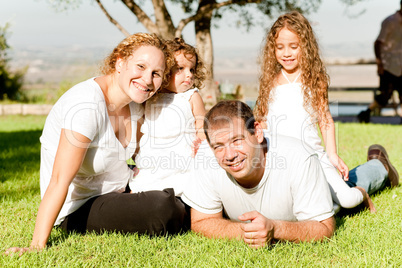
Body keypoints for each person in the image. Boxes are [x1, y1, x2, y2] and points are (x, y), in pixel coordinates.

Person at [5, 33, 187, 256]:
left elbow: (145, 156)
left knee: (185, 187)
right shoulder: (86, 104)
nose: (147, 79)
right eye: (140, 66)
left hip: (121, 192)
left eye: (156, 73)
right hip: (81, 206)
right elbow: (59, 180)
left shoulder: (135, 104)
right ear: (120, 62)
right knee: (161, 207)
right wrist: (36, 245)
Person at [182, 100, 399, 248]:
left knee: (346, 195)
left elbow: (324, 227)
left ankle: (380, 165)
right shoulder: (206, 158)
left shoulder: (298, 157)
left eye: (237, 140)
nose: (228, 154)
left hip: (317, 191)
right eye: (219, 146)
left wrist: (275, 228)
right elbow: (201, 221)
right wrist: (250, 232)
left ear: (257, 132)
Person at [254, 11, 376, 213]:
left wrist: (333, 155)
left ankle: (360, 192)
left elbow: (325, 119)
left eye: (294, 47)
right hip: (282, 161)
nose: (286, 53)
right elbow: (264, 121)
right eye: (280, 47)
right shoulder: (270, 81)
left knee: (346, 201)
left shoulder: (314, 79)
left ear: (306, 46)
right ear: (272, 49)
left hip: (314, 157)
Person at [129, 38, 206, 196]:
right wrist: (136, 156)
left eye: (192, 70)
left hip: (182, 164)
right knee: (140, 191)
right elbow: (139, 132)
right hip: (152, 163)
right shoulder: (149, 98)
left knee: (185, 192)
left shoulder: (191, 97)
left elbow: (202, 127)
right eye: (180, 68)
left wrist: (202, 147)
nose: (189, 75)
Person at [358, 1, 402, 123]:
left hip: (400, 66)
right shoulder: (390, 21)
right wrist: (379, 63)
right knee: (384, 96)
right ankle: (365, 113)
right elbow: (378, 43)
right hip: (388, 66)